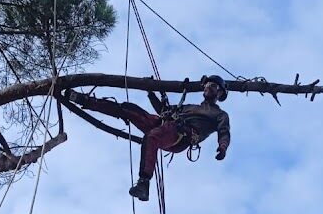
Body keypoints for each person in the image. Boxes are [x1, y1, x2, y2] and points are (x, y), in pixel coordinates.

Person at [66, 74, 231, 201]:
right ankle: (83, 100)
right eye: (208, 84)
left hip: (182, 134)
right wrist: (150, 91)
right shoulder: (188, 107)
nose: (209, 87)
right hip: (166, 125)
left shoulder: (219, 114)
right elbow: (163, 110)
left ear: (220, 92)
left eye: (214, 86)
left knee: (152, 137)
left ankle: (144, 183)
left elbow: (224, 131)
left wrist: (222, 146)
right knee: (129, 109)